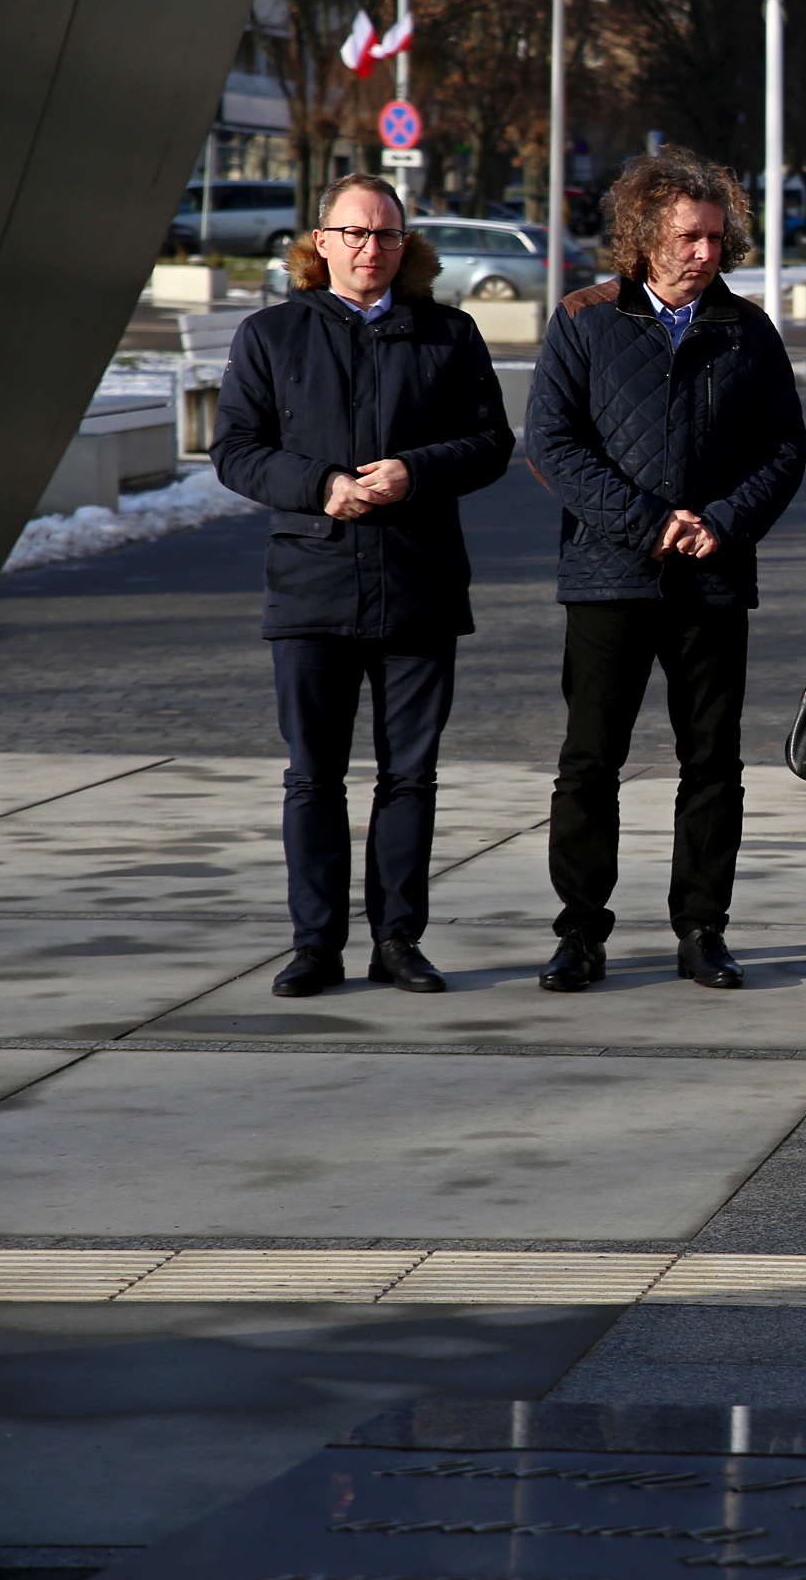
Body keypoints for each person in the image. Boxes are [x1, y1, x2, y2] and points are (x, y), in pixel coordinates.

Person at [212, 174, 514, 997]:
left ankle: (398, 939)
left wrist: (414, 471)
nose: (368, 249)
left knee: (409, 774)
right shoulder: (272, 334)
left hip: (418, 583)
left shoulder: (448, 335)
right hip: (311, 584)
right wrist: (320, 486)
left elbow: (491, 443)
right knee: (313, 775)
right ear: (320, 242)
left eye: (384, 235)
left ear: (405, 245)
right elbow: (235, 449)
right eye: (353, 233)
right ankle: (315, 944)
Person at [525, 148, 806, 994]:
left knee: (712, 763)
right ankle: (579, 933)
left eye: (717, 238)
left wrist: (720, 523)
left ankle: (702, 929)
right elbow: (552, 444)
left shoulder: (746, 330)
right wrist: (648, 523)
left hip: (712, 582)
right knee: (589, 762)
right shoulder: (583, 319)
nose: (706, 254)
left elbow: (784, 449)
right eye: (689, 237)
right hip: (609, 576)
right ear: (644, 237)